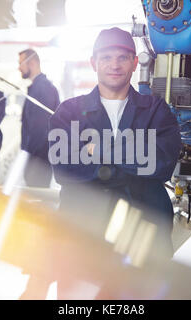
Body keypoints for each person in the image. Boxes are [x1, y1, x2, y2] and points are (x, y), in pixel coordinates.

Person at [49, 27, 182, 268]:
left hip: (146, 235)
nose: (114, 65)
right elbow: (64, 168)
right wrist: (133, 155)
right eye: (106, 58)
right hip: (83, 234)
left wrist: (95, 150)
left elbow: (161, 163)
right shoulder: (68, 112)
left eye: (122, 58)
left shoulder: (156, 110)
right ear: (93, 63)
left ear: (134, 63)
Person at [18, 49, 60, 187]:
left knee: (37, 200)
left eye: (21, 63)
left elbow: (41, 129)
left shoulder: (43, 88)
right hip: (36, 157)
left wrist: (28, 157)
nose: (19, 68)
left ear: (32, 63)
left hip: (38, 159)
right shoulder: (36, 87)